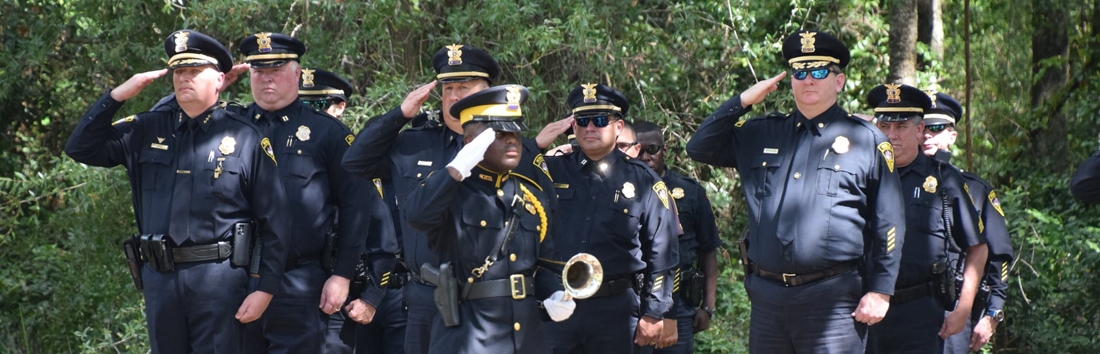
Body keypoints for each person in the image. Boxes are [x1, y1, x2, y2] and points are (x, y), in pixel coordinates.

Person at [64, 29, 289, 353]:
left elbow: (276, 221)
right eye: (180, 71)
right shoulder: (146, 129)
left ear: (220, 80)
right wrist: (117, 96)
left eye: (195, 71)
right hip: (161, 277)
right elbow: (80, 148)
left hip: (220, 279)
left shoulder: (245, 137)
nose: (185, 78)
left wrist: (265, 288)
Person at [686, 30, 906, 353]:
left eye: (819, 71)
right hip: (768, 300)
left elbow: (890, 223)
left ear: (839, 81)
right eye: (799, 72)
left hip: (833, 302)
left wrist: (882, 290)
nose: (808, 80)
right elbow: (699, 147)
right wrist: (744, 101)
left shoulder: (867, 141)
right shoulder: (761, 133)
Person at [341, 44, 558, 354]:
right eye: (448, 88)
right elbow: (355, 162)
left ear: (487, 92)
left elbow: (547, 231)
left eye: (465, 87)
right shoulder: (414, 143)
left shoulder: (513, 152)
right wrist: (400, 115)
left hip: (491, 302)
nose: (455, 96)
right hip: (425, 296)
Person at [403, 84, 574, 353]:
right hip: (470, 336)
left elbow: (546, 263)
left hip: (527, 337)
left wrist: (554, 293)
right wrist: (456, 169)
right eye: (499, 134)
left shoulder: (532, 197)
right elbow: (416, 216)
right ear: (471, 142)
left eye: (516, 133)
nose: (512, 141)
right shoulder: (450, 192)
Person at [234, 32, 371, 354]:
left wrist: (342, 275)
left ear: (297, 73)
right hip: (234, 278)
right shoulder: (230, 125)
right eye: (258, 71)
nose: (267, 79)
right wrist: (217, 84)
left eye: (276, 70)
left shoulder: (327, 132)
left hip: (298, 281)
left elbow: (356, 208)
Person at [542, 83, 680, 354]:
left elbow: (663, 252)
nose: (590, 127)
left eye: (601, 120)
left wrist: (654, 312)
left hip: (614, 309)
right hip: (556, 303)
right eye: (582, 120)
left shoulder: (644, 180)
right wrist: (535, 144)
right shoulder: (551, 171)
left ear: (619, 127)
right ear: (573, 127)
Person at [866, 83, 988, 354]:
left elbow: (977, 248)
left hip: (922, 313)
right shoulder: (861, 177)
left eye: (901, 127)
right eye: (884, 127)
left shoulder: (945, 180)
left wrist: (963, 308)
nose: (891, 136)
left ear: (919, 130)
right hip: (867, 310)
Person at [920, 91, 1013, 353]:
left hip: (953, 304)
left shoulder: (975, 189)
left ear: (952, 135)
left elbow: (999, 254)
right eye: (922, 127)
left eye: (936, 127)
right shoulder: (892, 182)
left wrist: (993, 312)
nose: (927, 134)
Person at [634, 121, 721, 353]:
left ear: (664, 150)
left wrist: (708, 306)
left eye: (651, 149)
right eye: (638, 150)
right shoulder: (621, 190)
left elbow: (708, 250)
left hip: (679, 301)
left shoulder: (690, 191)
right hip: (634, 300)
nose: (644, 156)